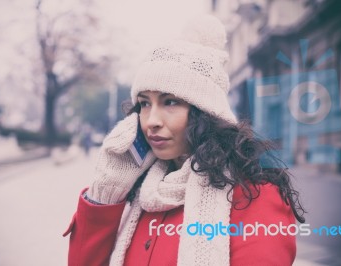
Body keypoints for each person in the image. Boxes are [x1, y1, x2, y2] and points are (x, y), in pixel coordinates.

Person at [63, 15, 305, 266]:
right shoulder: (140, 189)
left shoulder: (254, 195)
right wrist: (107, 190)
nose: (151, 120)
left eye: (170, 102)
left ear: (205, 112)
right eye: (145, 103)